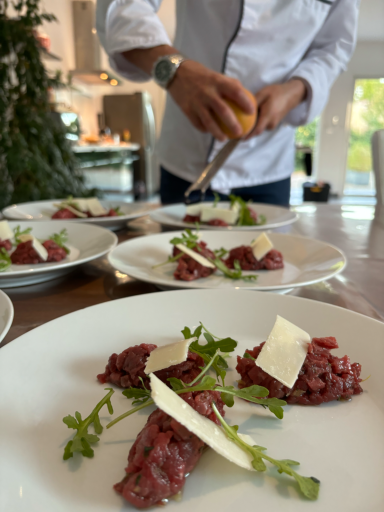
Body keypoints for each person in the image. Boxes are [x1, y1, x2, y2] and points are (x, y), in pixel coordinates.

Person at [96, 0, 360, 206]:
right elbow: (121, 8)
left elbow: (334, 48)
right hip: (187, 158)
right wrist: (175, 71)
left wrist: (294, 90)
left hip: (268, 163)